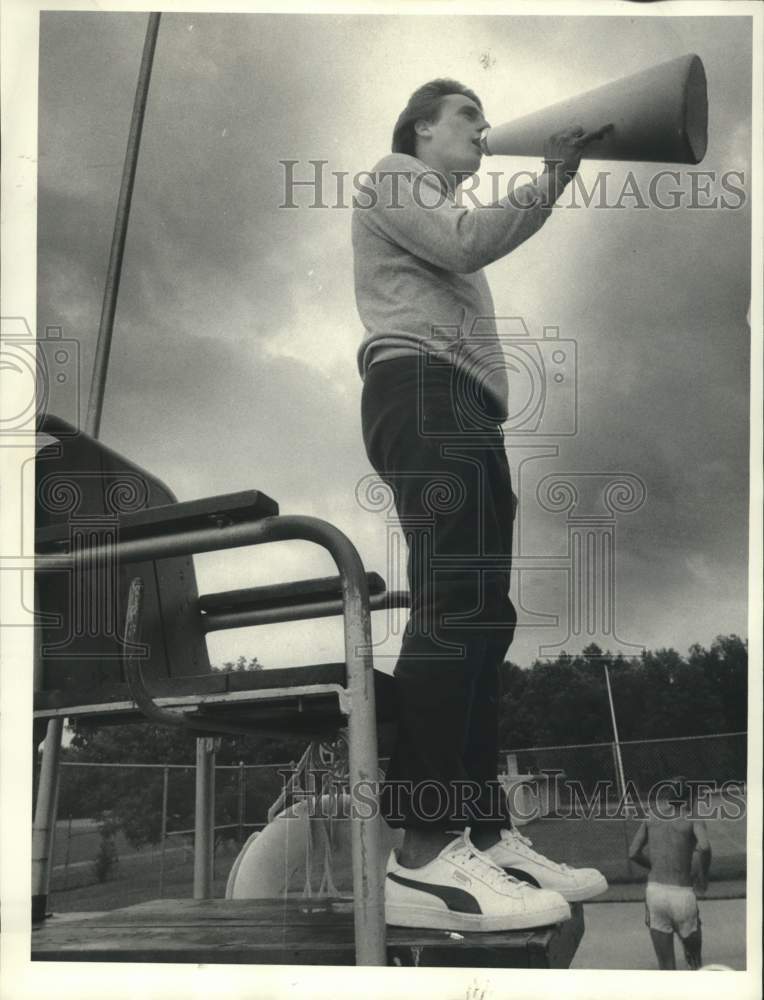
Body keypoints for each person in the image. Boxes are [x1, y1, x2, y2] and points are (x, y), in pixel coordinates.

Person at [352, 79, 608, 932]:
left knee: (484, 617)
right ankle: (423, 853)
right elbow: (465, 244)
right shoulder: (393, 173)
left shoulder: (425, 186)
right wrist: (552, 176)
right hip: (419, 391)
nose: (484, 128)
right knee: (454, 605)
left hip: (461, 404)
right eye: (467, 115)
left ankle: (485, 836)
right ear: (421, 127)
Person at [629, 776, 712, 969]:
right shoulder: (692, 818)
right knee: (695, 962)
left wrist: (655, 866)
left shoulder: (651, 815)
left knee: (666, 967)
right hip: (682, 894)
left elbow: (633, 852)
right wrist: (703, 876)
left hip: (655, 893)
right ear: (690, 797)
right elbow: (705, 848)